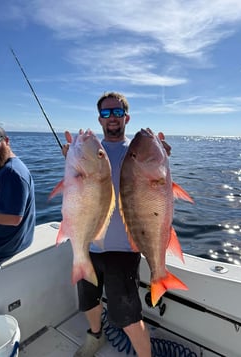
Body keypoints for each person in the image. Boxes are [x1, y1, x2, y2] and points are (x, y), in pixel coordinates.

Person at [62, 92, 171, 357]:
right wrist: (69, 159)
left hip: (123, 249)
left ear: (126, 117)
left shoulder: (133, 151)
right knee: (89, 299)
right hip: (90, 245)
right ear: (100, 119)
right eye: (107, 113)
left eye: (117, 112)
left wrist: (163, 157)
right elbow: (82, 194)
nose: (112, 118)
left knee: (129, 316)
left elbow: (152, 189)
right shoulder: (89, 150)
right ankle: (95, 335)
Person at [0, 126, 36, 267]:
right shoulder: (2, 165)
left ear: (6, 141)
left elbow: (13, 218)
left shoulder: (13, 173)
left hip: (4, 248)